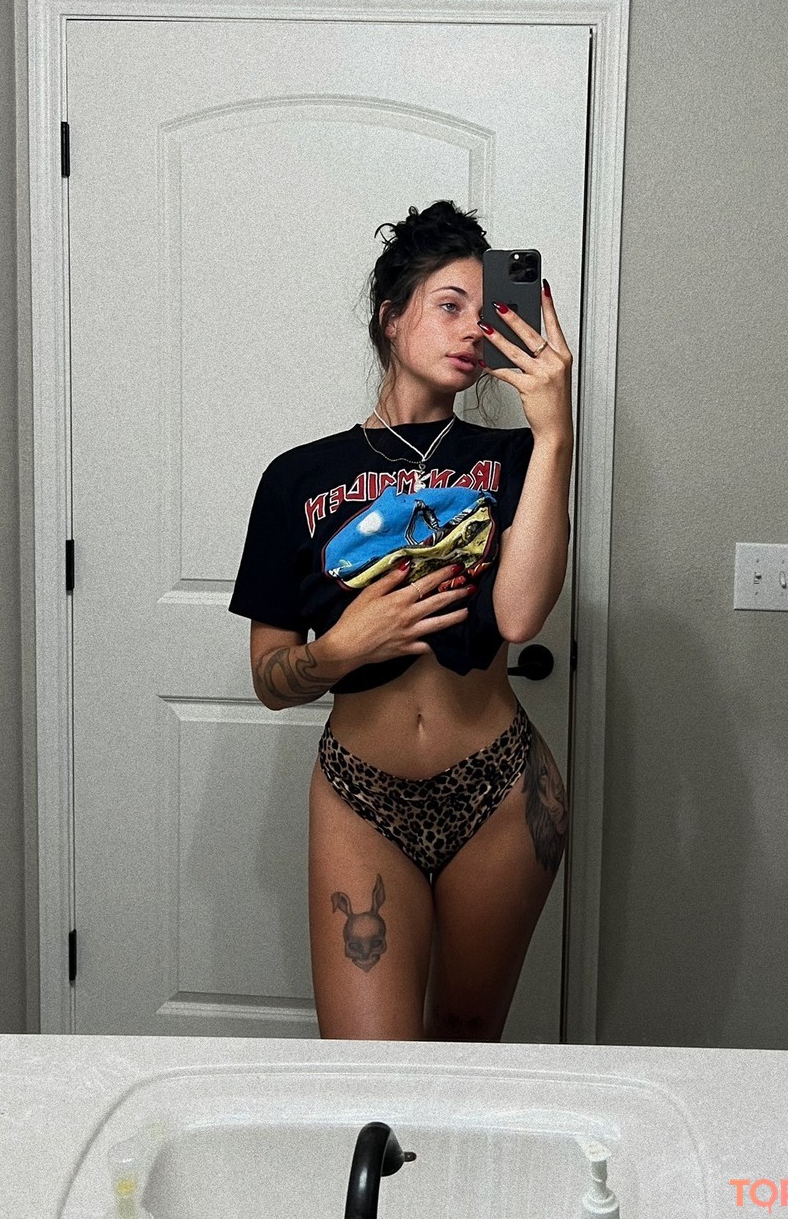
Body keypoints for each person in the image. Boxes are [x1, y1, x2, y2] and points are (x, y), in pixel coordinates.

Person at [229, 200, 574, 1041]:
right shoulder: (296, 478)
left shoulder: (514, 457)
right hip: (361, 796)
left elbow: (520, 615)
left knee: (464, 1049)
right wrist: (342, 650)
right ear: (391, 317)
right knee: (367, 1074)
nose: (470, 331)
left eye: (484, 312)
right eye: (448, 304)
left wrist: (556, 430)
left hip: (501, 793)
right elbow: (271, 677)